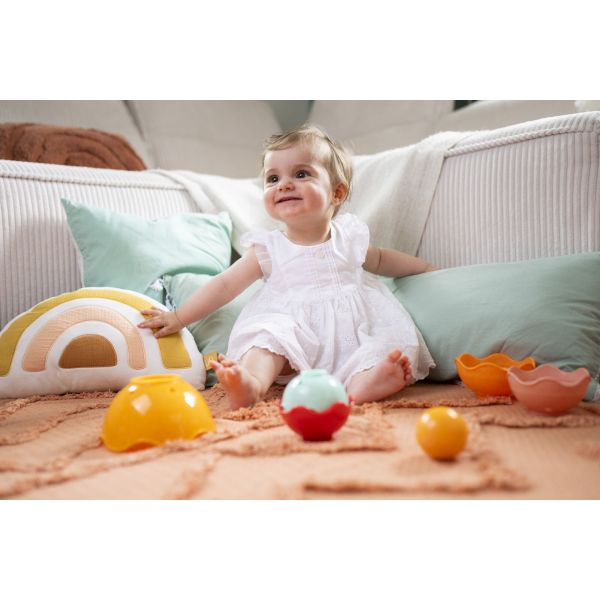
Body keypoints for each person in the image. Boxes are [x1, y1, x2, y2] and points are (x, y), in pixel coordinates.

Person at [138, 124, 437, 409]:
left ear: (336, 193)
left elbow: (382, 259)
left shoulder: (349, 238)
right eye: (273, 178)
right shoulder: (268, 248)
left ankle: (363, 384)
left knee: (382, 342)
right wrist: (179, 317)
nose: (284, 184)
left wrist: (425, 269)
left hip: (351, 328)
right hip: (292, 332)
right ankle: (251, 383)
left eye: (301, 173)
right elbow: (225, 285)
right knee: (266, 339)